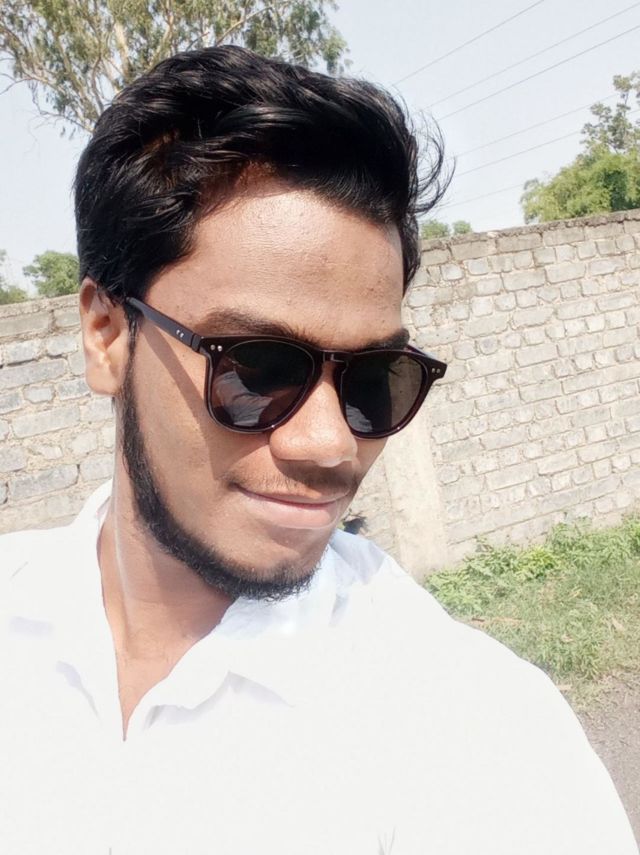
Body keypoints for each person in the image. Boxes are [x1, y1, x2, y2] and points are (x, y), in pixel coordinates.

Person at [0, 46, 636, 855]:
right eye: (257, 368)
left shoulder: (476, 735)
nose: (331, 444)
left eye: (374, 380)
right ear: (105, 335)